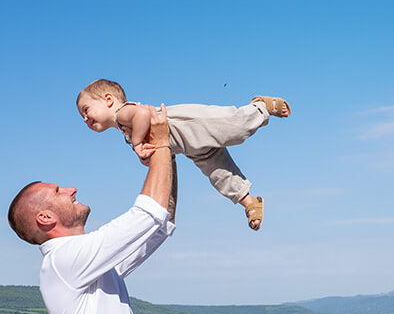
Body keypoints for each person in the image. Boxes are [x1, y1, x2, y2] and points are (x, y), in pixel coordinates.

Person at [7, 104, 175, 314]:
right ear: (45, 217)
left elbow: (158, 223)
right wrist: (162, 144)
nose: (71, 189)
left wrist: (169, 155)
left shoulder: (90, 264)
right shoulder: (65, 260)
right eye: (59, 191)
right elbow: (147, 213)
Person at [76, 78, 290, 231]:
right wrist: (143, 154)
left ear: (108, 99)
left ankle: (260, 107)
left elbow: (142, 114)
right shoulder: (124, 129)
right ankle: (250, 202)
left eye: (86, 110)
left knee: (236, 128)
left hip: (186, 125)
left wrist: (137, 143)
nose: (85, 119)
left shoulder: (122, 112)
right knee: (220, 174)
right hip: (188, 147)